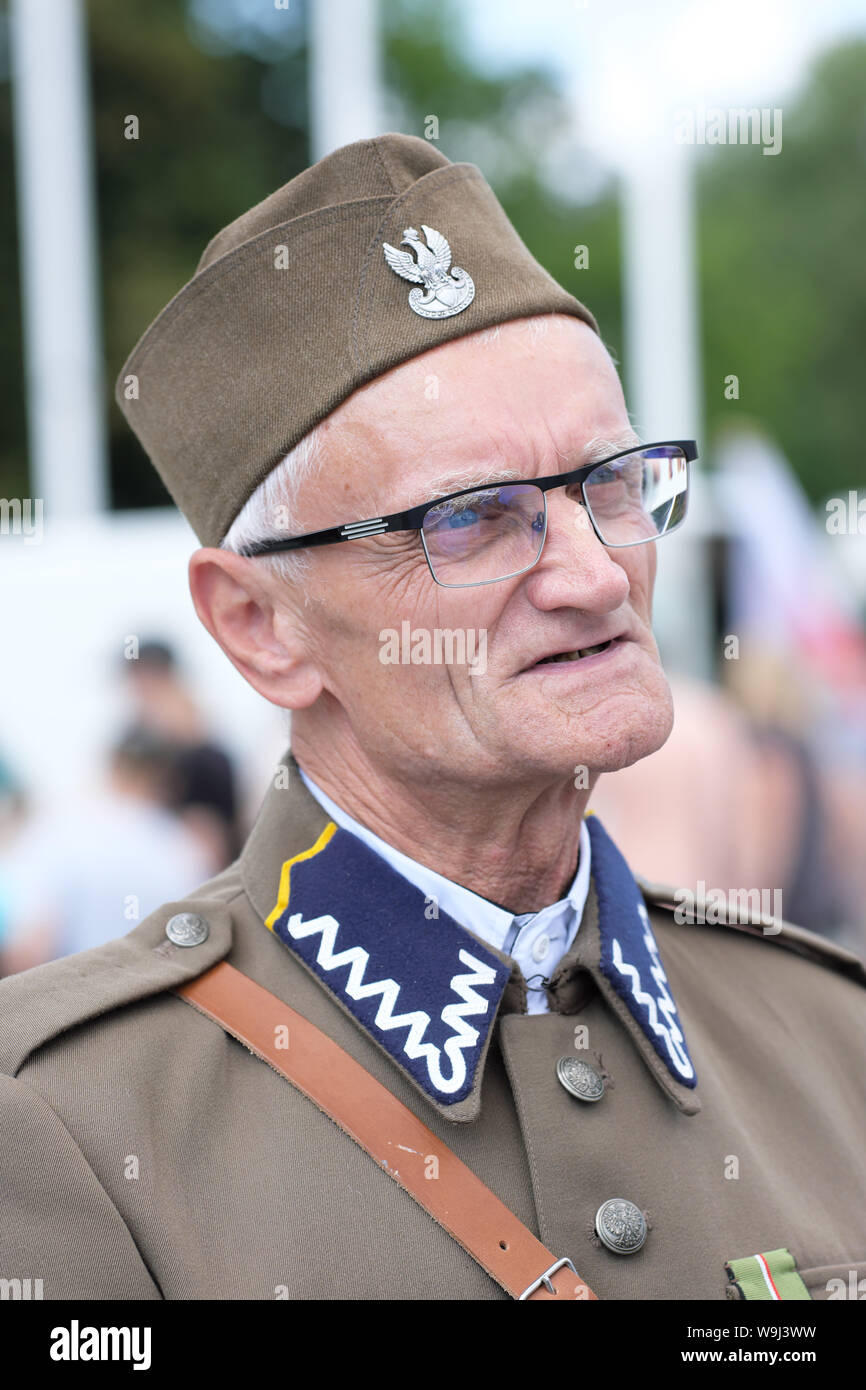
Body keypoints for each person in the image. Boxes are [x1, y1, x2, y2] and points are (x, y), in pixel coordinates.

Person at [1, 134, 864, 1302]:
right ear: (262, 625)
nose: (596, 573)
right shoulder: (61, 1116)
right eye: (471, 519)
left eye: (611, 480)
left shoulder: (825, 1035)